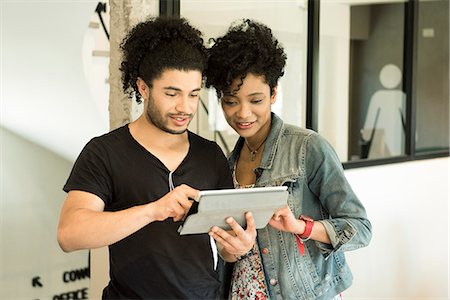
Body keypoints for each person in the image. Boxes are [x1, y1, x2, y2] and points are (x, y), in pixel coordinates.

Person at [57, 17, 234, 299]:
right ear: (143, 87)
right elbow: (70, 234)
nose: (184, 107)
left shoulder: (210, 155)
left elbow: (225, 240)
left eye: (193, 95)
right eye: (171, 93)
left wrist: (235, 246)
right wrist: (153, 210)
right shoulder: (104, 152)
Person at [205, 19, 372, 300]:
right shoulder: (227, 163)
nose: (243, 114)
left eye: (255, 100)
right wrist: (230, 250)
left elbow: (361, 229)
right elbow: (229, 251)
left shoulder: (308, 148)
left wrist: (300, 227)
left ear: (273, 93)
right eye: (231, 101)